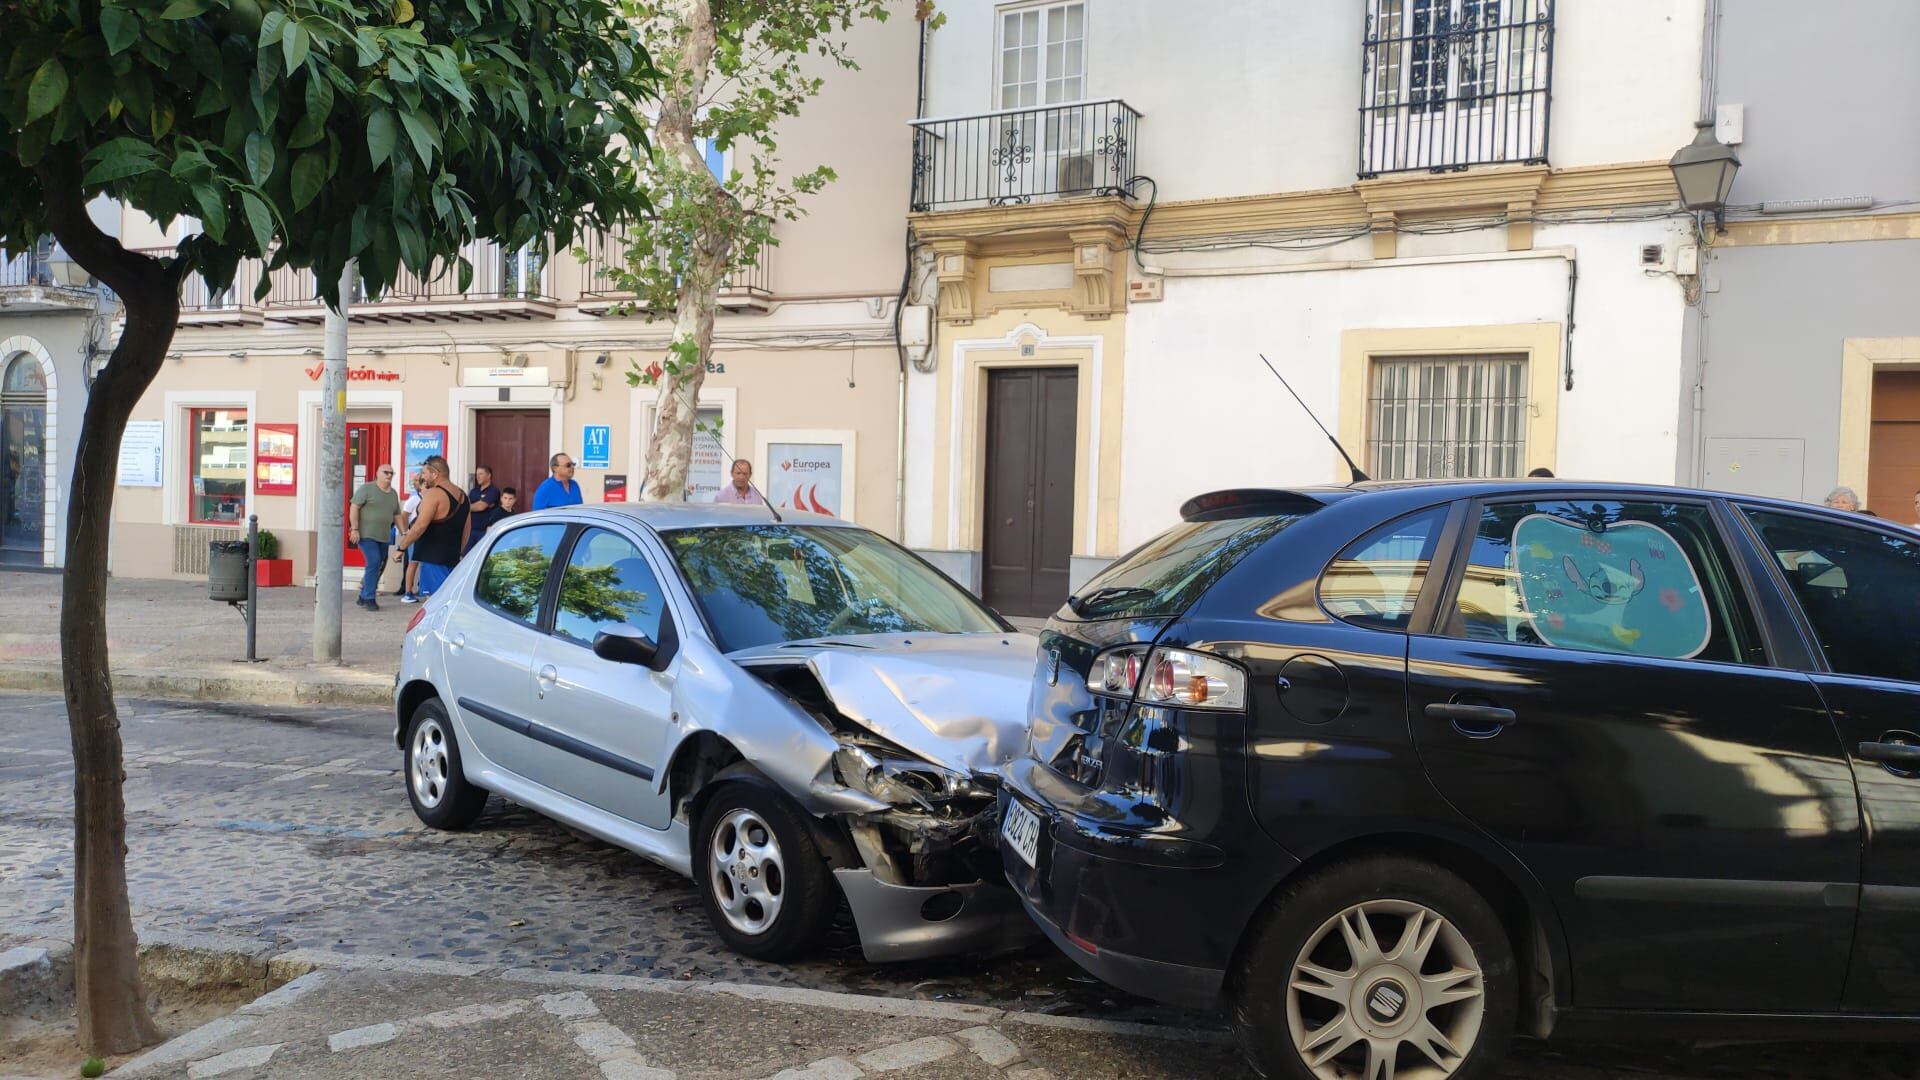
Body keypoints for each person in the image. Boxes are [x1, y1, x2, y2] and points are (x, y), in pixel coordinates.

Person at [393, 456, 470, 599]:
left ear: (435, 474)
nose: (422, 477)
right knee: (448, 601)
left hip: (433, 559)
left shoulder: (434, 494)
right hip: (452, 559)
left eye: (424, 473)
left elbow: (419, 526)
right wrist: (458, 552)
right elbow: (467, 529)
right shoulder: (463, 496)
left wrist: (401, 548)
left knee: (433, 605)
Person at [348, 465, 403, 611]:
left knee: (378, 565)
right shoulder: (367, 489)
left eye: (392, 473)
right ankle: (370, 598)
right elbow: (354, 507)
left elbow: (397, 515)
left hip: (384, 536)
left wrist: (404, 532)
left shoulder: (393, 494)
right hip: (366, 535)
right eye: (386, 472)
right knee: (374, 561)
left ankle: (362, 596)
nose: (389, 475)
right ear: (377, 473)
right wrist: (355, 529)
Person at [394, 473, 426, 601]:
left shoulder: (431, 497)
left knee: (425, 564)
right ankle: (408, 592)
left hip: (427, 535)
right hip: (414, 534)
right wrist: (406, 532)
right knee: (413, 563)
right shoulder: (414, 499)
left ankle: (422, 589)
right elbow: (404, 516)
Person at [465, 465, 502, 554]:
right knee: (467, 558)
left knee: (481, 557)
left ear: (489, 475)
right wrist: (473, 506)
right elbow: (468, 507)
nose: (477, 477)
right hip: (470, 531)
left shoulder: (493, 491)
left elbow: (481, 507)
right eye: (477, 474)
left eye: (481, 474)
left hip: (485, 532)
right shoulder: (474, 491)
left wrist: (471, 506)